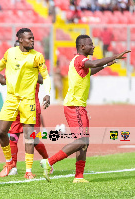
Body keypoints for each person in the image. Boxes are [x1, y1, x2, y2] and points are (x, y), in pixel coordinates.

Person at [40, 34, 131, 183]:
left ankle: (79, 176)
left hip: (78, 106)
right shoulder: (80, 59)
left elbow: (91, 70)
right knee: (81, 141)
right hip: (74, 106)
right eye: (90, 44)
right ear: (82, 47)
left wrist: (107, 64)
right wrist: (113, 56)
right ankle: (49, 162)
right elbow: (93, 64)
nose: (93, 46)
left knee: (84, 142)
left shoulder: (79, 62)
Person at [0, 28, 51, 178]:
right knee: (2, 131)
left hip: (28, 100)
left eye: (33, 38)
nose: (32, 41)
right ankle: (9, 162)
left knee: (30, 136)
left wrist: (47, 93)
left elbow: (46, 77)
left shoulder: (37, 57)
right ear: (20, 40)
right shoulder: (10, 53)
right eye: (29, 38)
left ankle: (28, 171)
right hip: (11, 99)